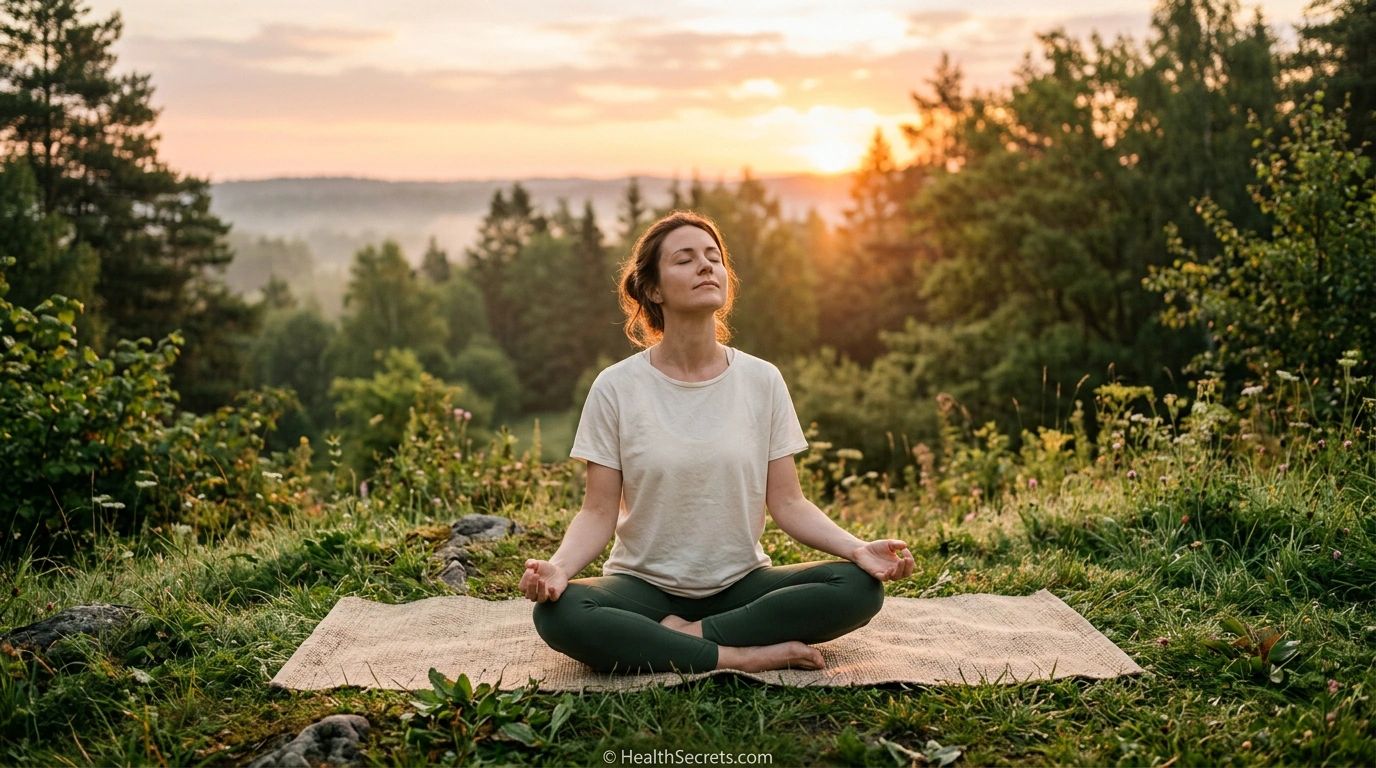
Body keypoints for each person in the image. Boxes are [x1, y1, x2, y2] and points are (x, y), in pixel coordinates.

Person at [521, 210, 915, 674]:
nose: (707, 267)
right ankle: (739, 655)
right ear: (652, 289)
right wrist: (561, 569)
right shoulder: (616, 387)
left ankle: (687, 641)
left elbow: (788, 503)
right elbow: (598, 512)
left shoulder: (761, 380)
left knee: (857, 588)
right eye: (685, 260)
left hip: (741, 584)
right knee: (559, 613)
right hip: (643, 588)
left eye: (713, 257)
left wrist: (856, 548)